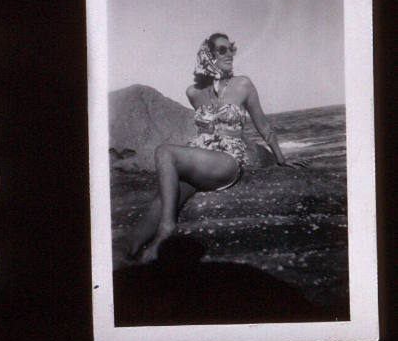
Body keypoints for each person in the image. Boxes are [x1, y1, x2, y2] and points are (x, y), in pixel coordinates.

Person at [127, 32, 308, 262]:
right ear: (208, 55)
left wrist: (280, 157)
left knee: (164, 152)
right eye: (222, 50)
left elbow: (262, 124)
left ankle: (166, 230)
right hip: (201, 159)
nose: (229, 54)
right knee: (164, 199)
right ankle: (126, 251)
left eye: (230, 49)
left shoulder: (244, 84)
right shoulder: (193, 93)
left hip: (227, 159)